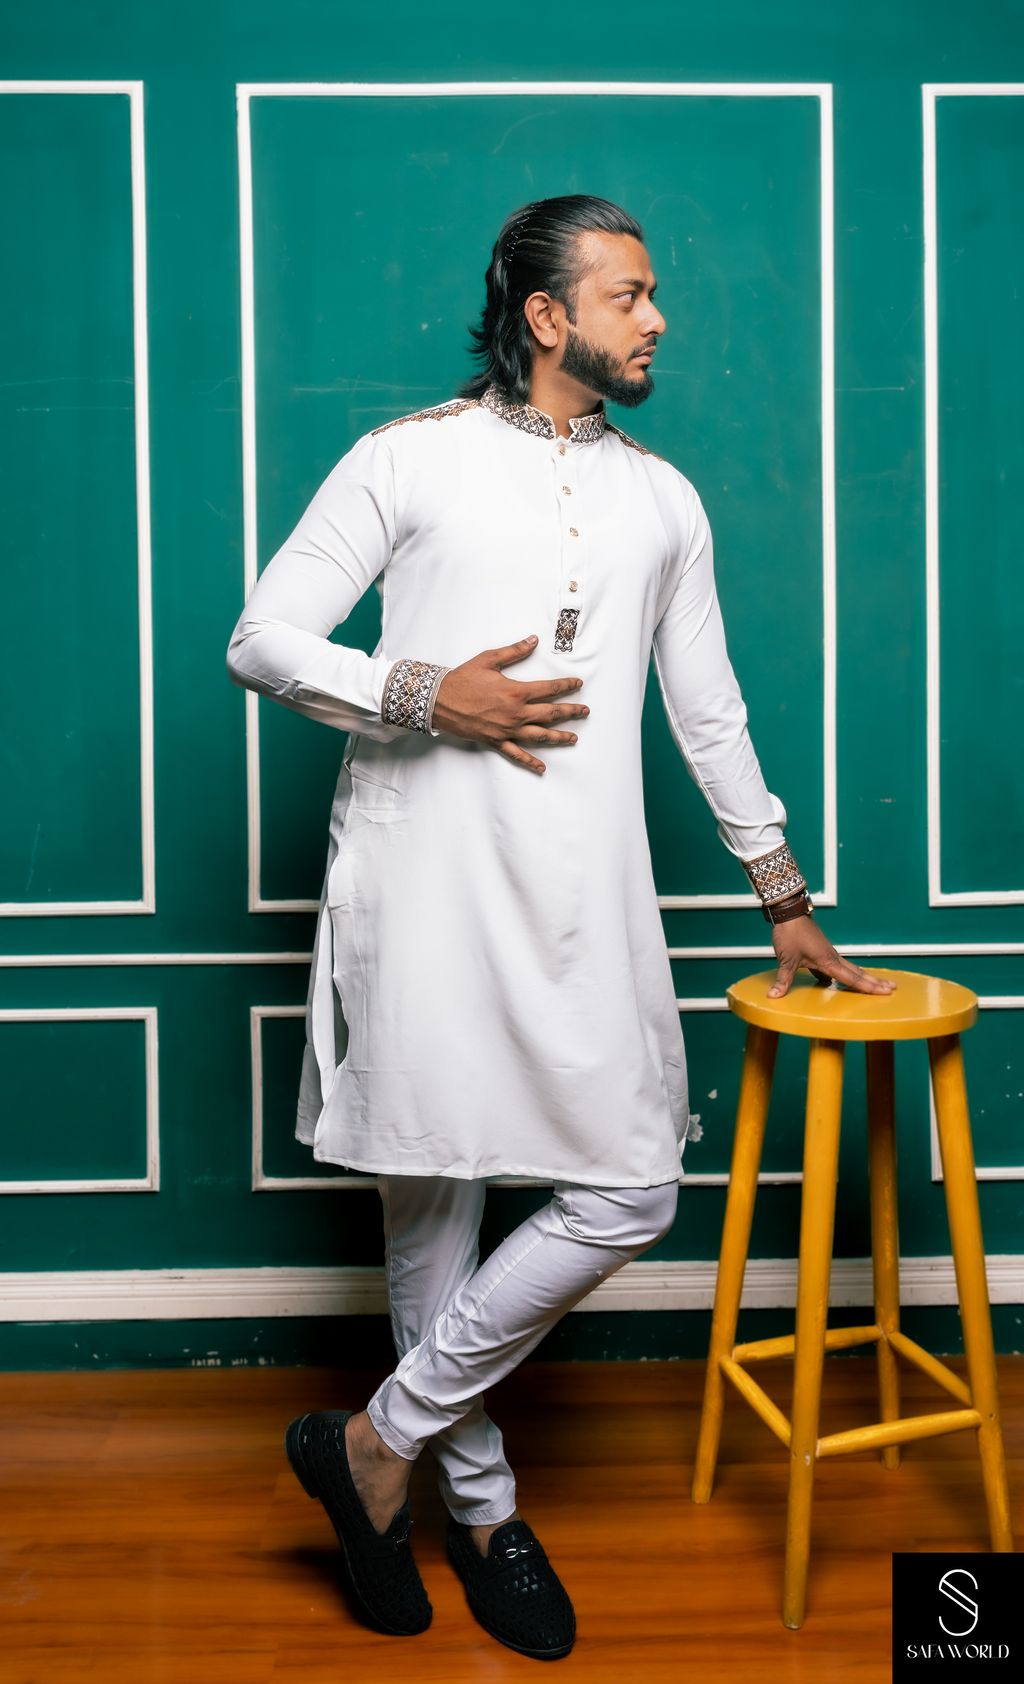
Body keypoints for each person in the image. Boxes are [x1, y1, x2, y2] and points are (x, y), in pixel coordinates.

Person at [226, 194, 896, 1660]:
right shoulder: (405, 457)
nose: (658, 318)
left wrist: (782, 893)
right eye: (630, 294)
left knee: (630, 1187)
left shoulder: (664, 499)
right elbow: (263, 639)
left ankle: (375, 1443)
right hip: (420, 881)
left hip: (585, 895)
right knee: (435, 1197)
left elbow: (707, 710)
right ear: (547, 315)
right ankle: (478, 1511)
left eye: (654, 295)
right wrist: (428, 693)